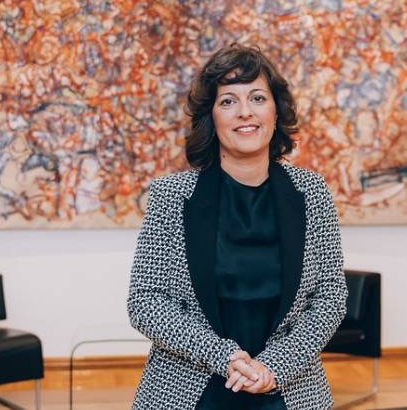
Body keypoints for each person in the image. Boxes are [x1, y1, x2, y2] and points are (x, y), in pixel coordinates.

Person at [127, 43, 347, 410]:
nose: (245, 112)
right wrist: (224, 357)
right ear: (211, 117)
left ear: (276, 110)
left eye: (257, 98)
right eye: (228, 101)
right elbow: (145, 302)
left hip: (288, 391)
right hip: (188, 392)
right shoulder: (171, 195)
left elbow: (329, 298)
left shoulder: (311, 192)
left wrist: (275, 366)